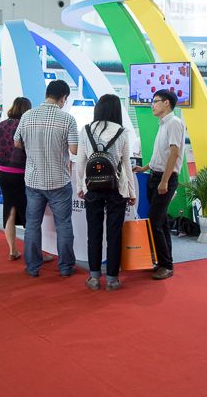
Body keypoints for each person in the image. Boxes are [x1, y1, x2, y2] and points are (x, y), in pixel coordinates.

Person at [14, 79, 79, 278]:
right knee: (63, 224)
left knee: (32, 224)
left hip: (33, 180)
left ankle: (32, 267)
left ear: (46, 94)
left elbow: (17, 143)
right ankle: (65, 267)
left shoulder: (27, 115)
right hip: (59, 181)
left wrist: (32, 147)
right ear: (63, 98)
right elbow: (74, 150)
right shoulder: (68, 119)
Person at [75, 94, 137, 291]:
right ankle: (112, 279)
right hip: (116, 189)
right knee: (114, 233)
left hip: (92, 187)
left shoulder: (86, 130)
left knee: (93, 232)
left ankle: (94, 277)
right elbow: (126, 165)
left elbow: (81, 162)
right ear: (116, 110)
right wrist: (131, 192)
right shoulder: (122, 132)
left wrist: (80, 187)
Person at [132, 89, 185, 280]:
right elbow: (160, 155)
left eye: (155, 101)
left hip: (165, 179)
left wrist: (164, 181)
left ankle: (166, 265)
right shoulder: (163, 124)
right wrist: (145, 167)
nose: (152, 105)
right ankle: (164, 262)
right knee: (160, 222)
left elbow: (174, 154)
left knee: (155, 222)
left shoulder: (174, 123)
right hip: (155, 176)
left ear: (166, 103)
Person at [0, 97, 32, 260]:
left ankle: (12, 250)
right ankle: (34, 253)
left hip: (3, 174)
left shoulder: (0, 126)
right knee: (29, 214)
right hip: (22, 174)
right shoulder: (25, 126)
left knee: (9, 209)